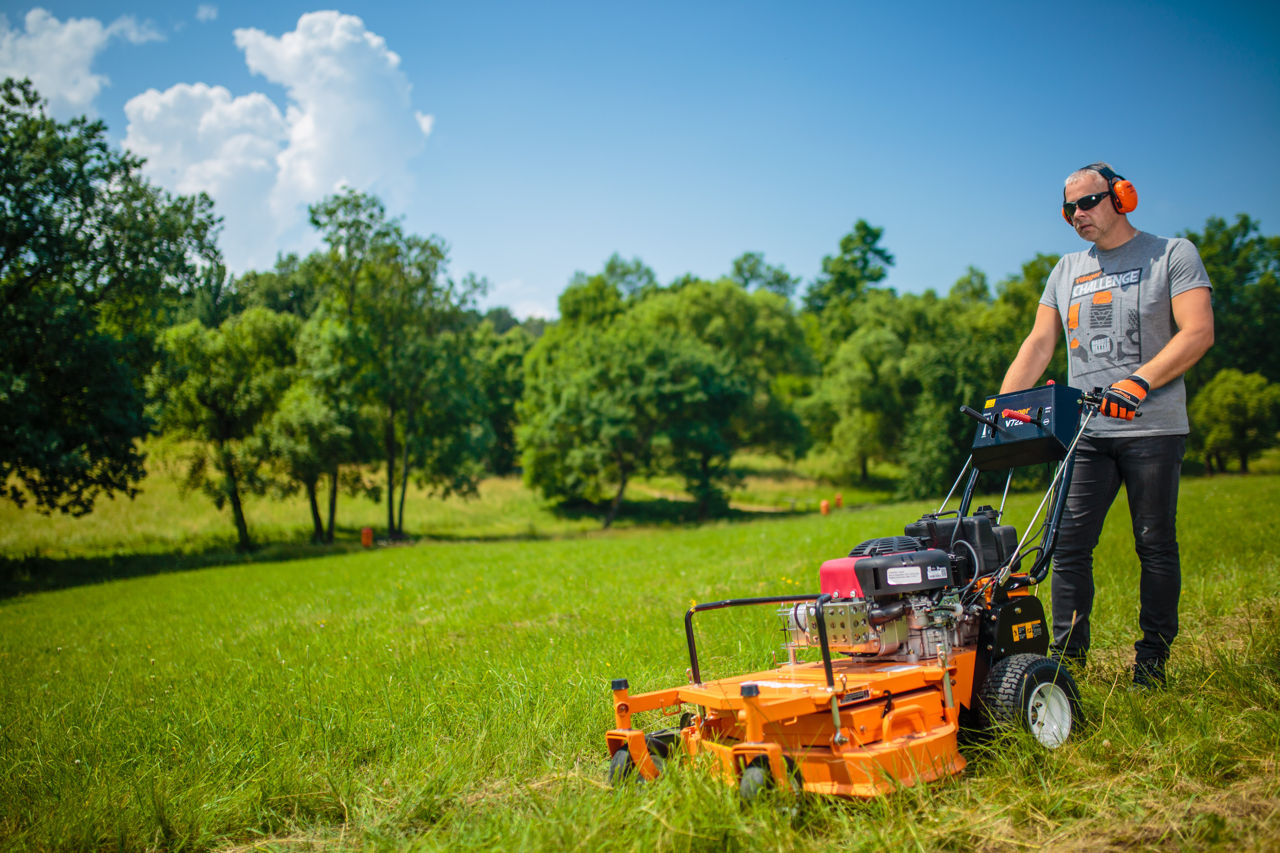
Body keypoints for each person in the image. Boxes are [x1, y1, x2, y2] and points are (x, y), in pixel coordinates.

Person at [1000, 162, 1214, 688]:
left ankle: (1152, 663)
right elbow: (1040, 343)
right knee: (1068, 546)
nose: (1077, 216)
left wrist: (1137, 382)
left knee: (1154, 542)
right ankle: (1068, 664)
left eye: (1089, 203)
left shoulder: (1172, 254)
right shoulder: (1068, 268)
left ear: (1122, 197)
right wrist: (1005, 403)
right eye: (1068, 209)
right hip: (1088, 433)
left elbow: (1197, 332)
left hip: (1153, 429)